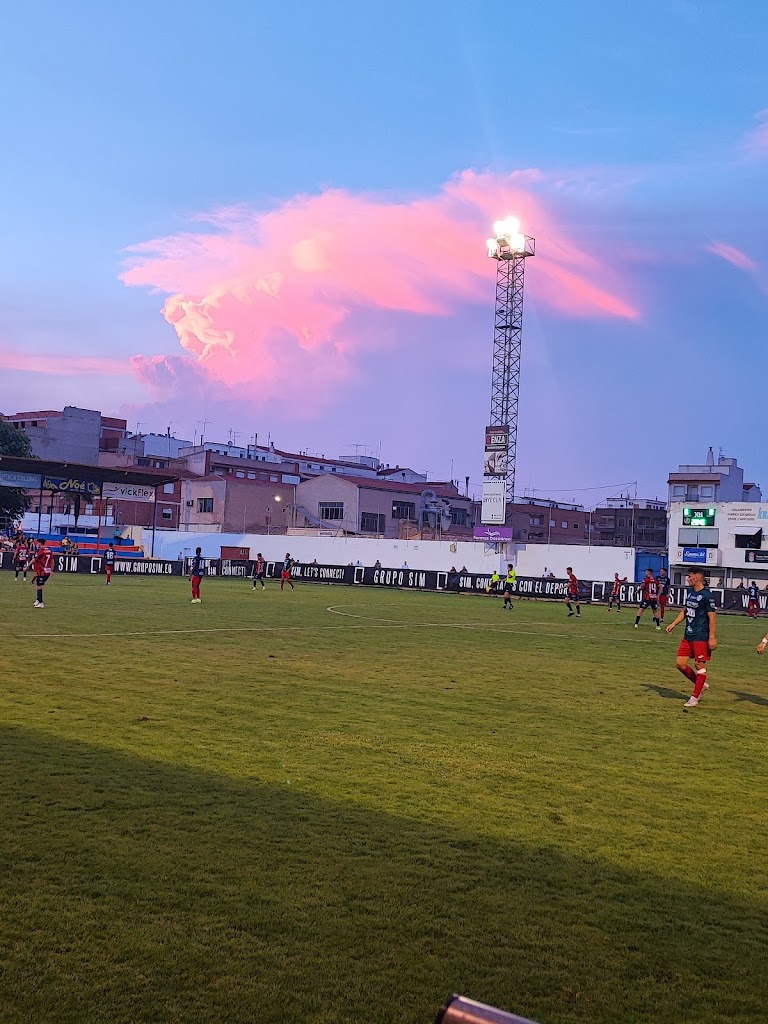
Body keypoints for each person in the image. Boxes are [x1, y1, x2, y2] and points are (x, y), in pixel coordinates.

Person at [666, 567, 717, 709]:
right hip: (688, 635)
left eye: (690, 576)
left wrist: (712, 637)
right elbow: (685, 610)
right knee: (680, 664)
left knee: (699, 665)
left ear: (697, 578)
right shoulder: (690, 593)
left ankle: (694, 698)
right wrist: (674, 623)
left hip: (701, 636)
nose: (688, 579)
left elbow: (712, 617)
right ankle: (700, 685)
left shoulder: (707, 596)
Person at [32, 539, 54, 609]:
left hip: (42, 571)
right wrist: (52, 570)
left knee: (39, 586)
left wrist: (27, 566)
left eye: (38, 543)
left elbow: (35, 559)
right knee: (38, 584)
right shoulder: (49, 550)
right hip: (47, 571)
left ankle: (41, 603)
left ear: (40, 543)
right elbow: (52, 561)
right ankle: (38, 600)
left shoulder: (41, 551)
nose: (37, 544)